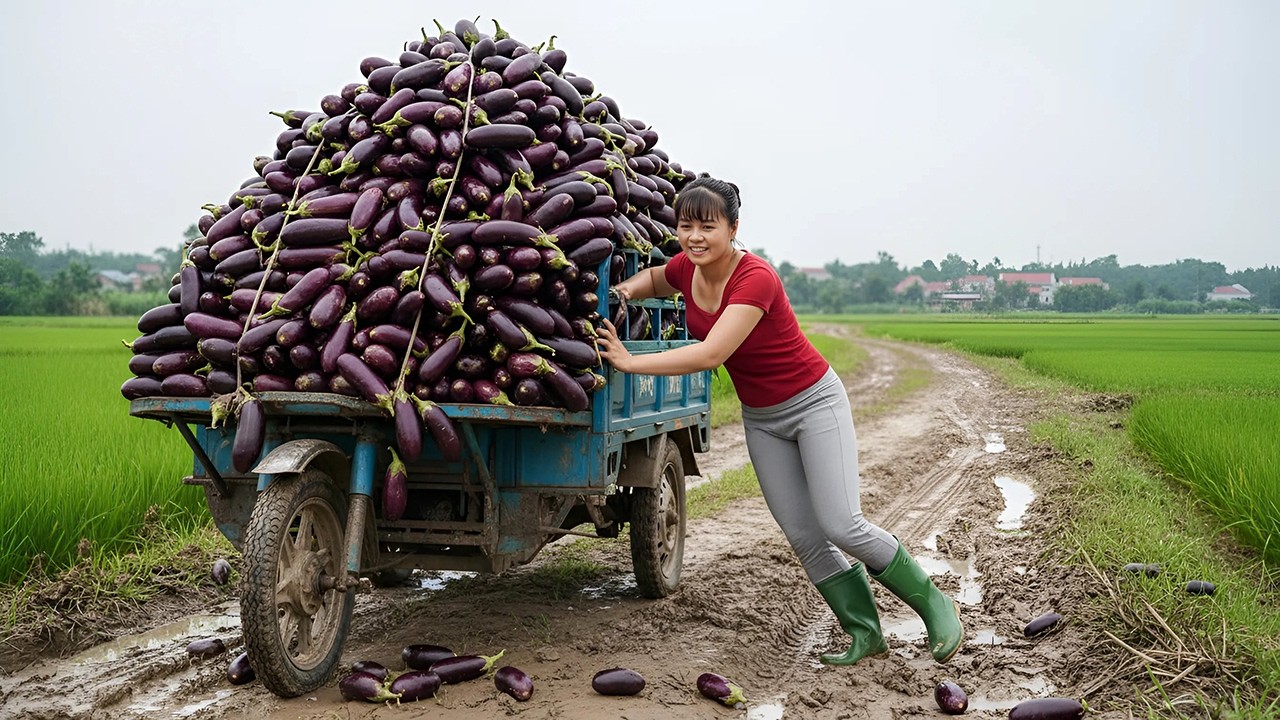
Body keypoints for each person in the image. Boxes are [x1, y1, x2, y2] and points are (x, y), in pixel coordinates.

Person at [595, 174, 964, 665]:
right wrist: (622, 291)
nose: (695, 237)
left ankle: (935, 605)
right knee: (804, 535)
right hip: (763, 419)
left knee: (841, 523)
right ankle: (864, 631)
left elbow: (711, 353)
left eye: (708, 226)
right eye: (686, 226)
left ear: (733, 228)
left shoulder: (756, 278)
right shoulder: (688, 267)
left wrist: (629, 361)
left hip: (814, 404)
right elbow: (659, 277)